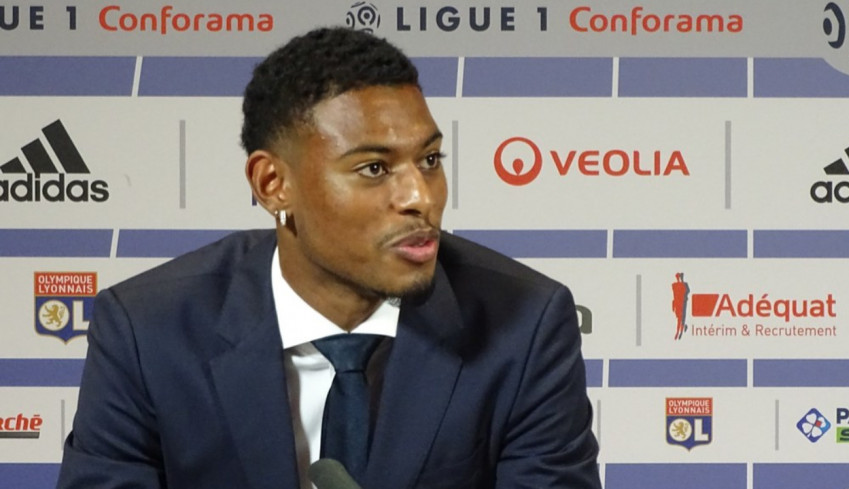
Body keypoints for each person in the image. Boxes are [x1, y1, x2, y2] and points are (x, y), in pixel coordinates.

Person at [56, 27, 601, 489]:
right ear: (273, 184)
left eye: (430, 159)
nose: (421, 197)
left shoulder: (524, 325)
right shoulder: (148, 330)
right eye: (374, 168)